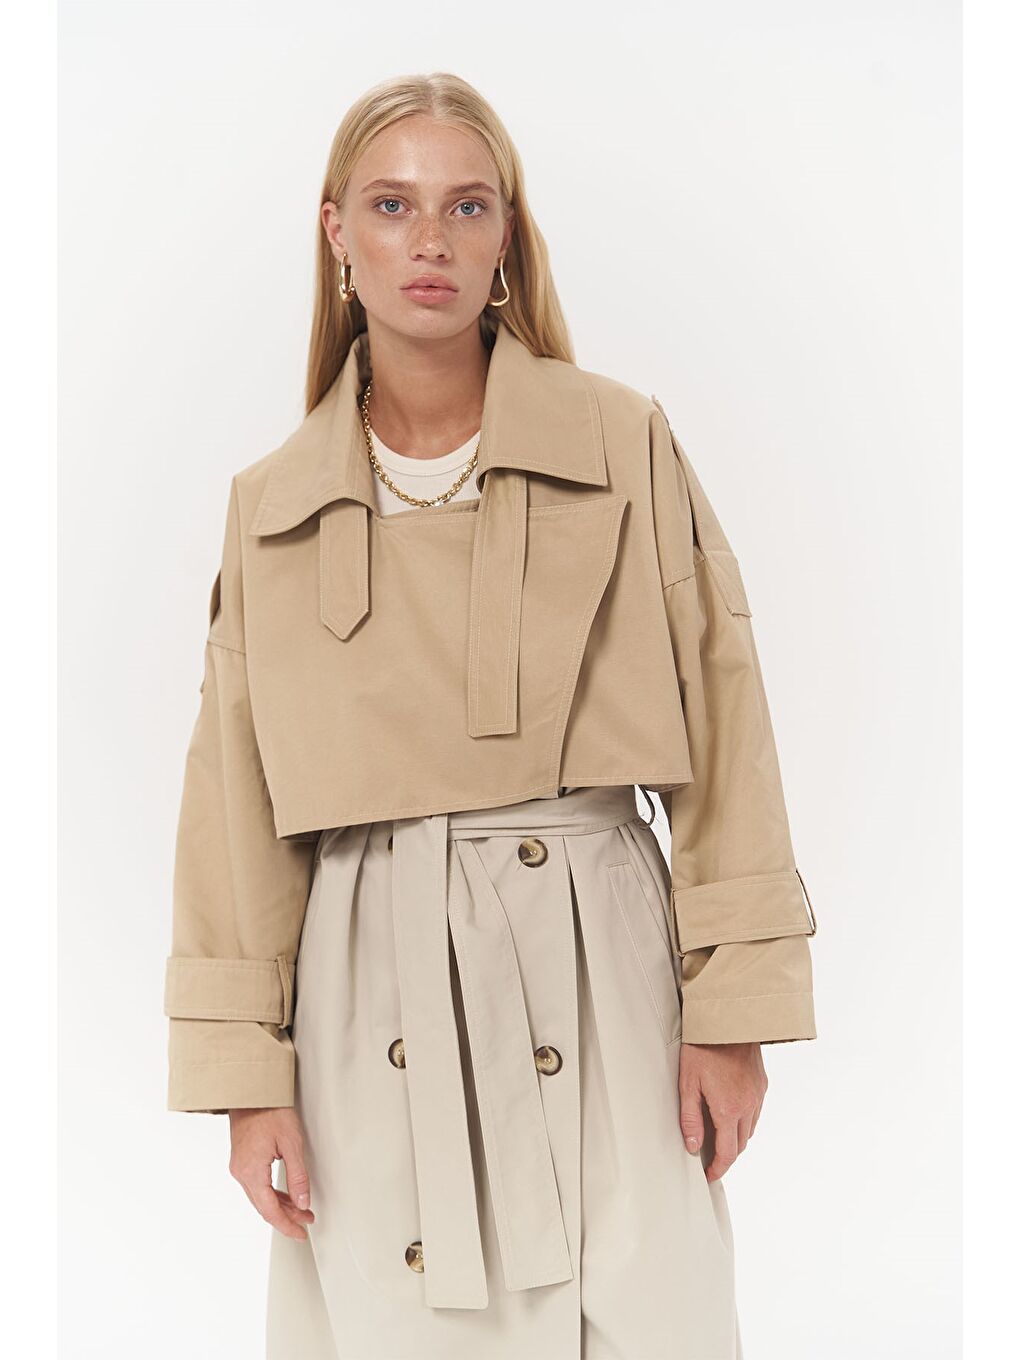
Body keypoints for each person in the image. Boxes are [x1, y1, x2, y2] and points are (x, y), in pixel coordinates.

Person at [162, 71, 818, 1360]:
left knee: (650, 1308)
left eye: (467, 206)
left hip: (602, 957)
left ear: (506, 234)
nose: (431, 240)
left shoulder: (621, 442)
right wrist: (249, 1079)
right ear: (337, 232)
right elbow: (231, 807)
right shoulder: (273, 505)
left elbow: (726, 719)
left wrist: (731, 1010)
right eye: (392, 205)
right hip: (370, 979)